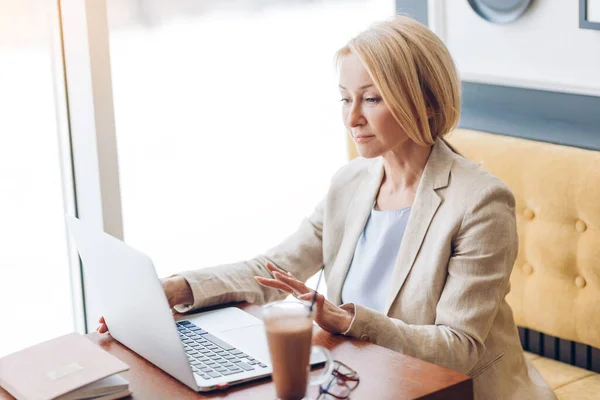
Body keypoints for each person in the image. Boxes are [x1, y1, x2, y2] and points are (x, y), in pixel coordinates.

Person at [98, 15, 556, 400]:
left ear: (426, 101)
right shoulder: (351, 181)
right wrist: (179, 288)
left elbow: (460, 349)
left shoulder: (479, 201)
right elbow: (273, 268)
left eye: (371, 98)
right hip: (363, 379)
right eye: (345, 97)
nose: (351, 116)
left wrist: (350, 320)